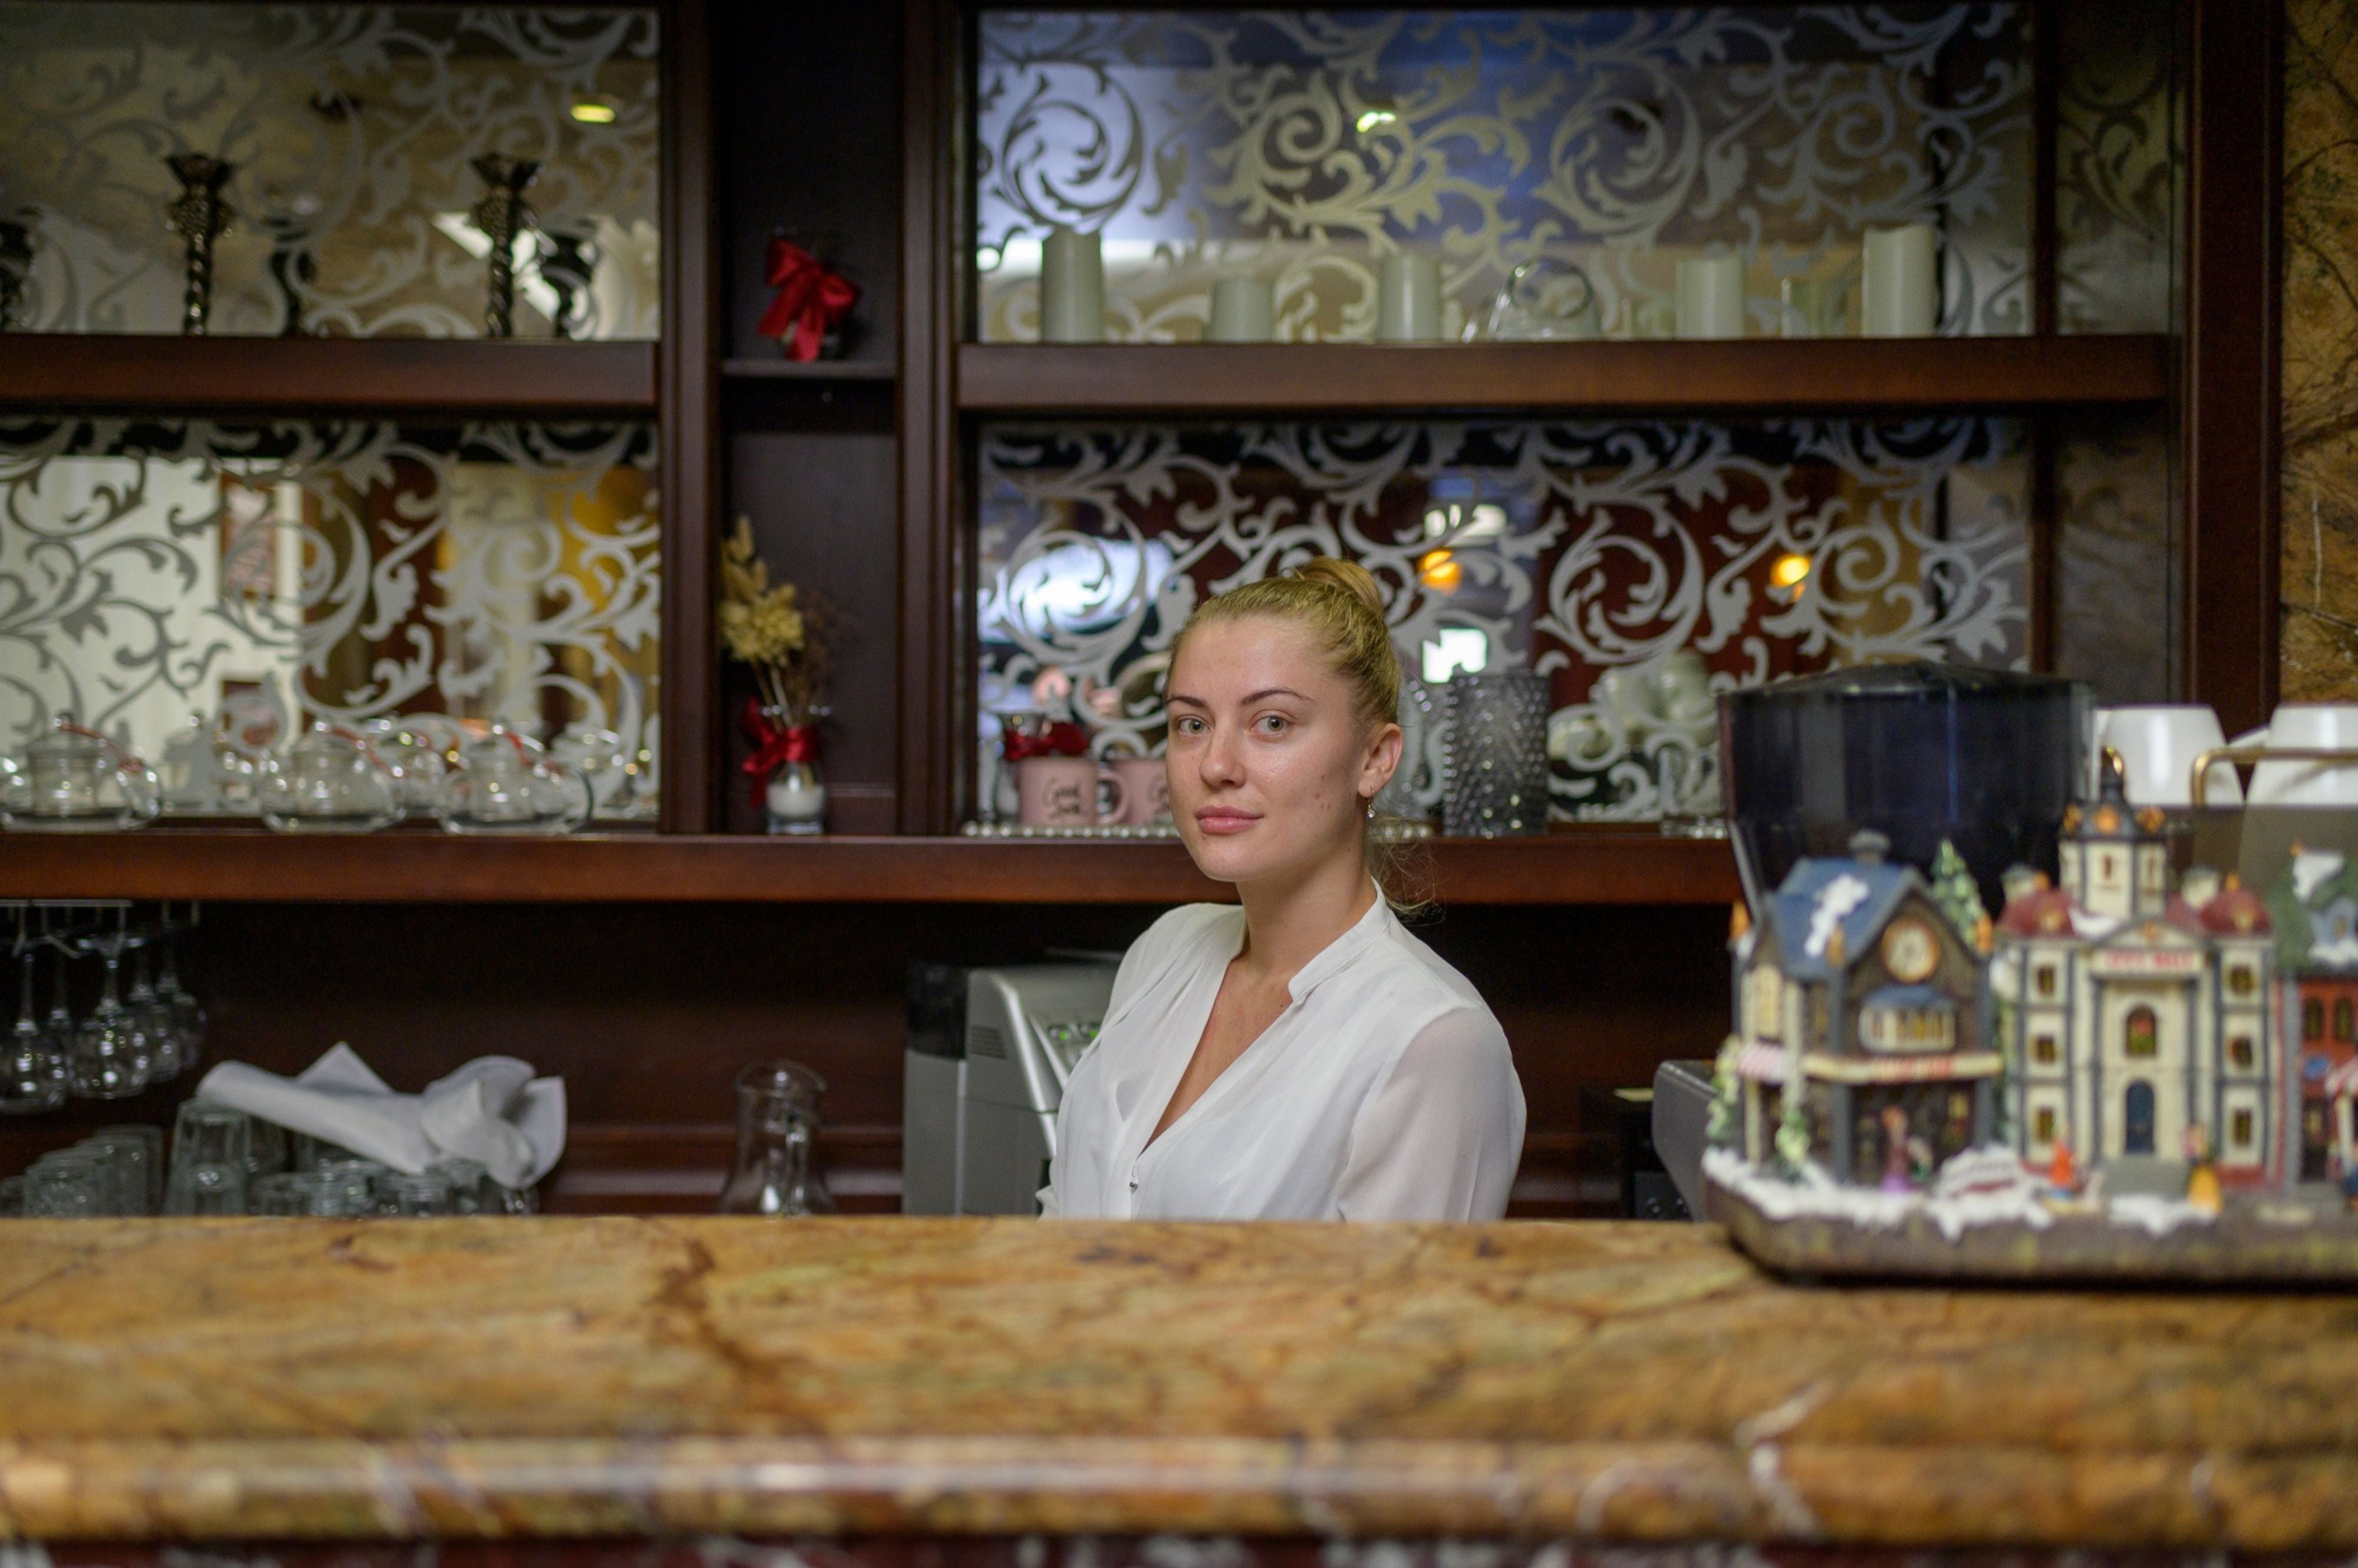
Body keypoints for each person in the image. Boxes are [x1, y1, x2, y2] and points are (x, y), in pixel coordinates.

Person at [1039, 558, 1526, 1220]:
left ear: (1374, 758)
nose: (1215, 764)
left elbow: (1402, 1319)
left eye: (1272, 722)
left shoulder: (1434, 1038)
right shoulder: (1164, 951)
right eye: (1191, 723)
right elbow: (1067, 1218)